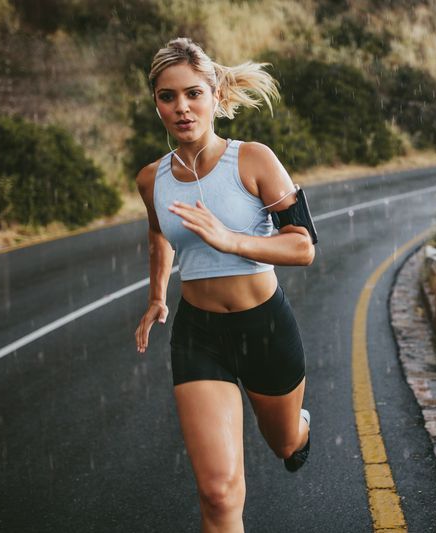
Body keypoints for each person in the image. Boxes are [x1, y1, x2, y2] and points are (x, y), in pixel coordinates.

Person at [133, 37, 314, 532]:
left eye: (193, 93)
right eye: (168, 97)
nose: (182, 107)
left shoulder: (254, 160)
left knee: (283, 444)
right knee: (217, 492)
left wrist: (232, 240)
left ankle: (301, 430)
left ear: (214, 95)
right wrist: (156, 296)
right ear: (157, 104)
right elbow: (158, 233)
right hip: (200, 337)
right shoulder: (152, 179)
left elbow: (303, 246)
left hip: (265, 328)